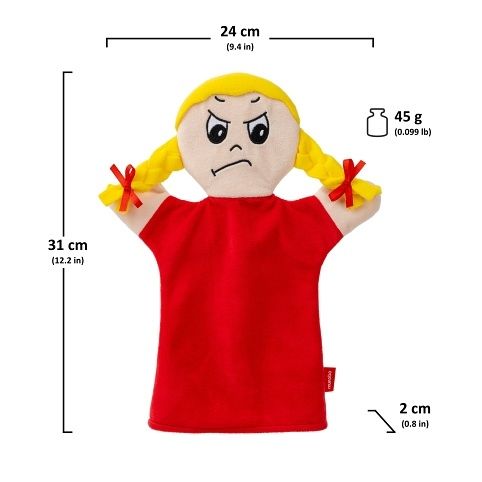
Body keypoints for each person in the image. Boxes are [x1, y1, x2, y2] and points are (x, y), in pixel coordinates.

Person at [99, 73, 381, 433]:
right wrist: (338, 178)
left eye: (258, 131)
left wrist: (139, 179)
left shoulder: (177, 227)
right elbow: (361, 200)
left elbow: (127, 200)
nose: (235, 146)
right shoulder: (300, 226)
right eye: (218, 132)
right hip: (287, 398)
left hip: (189, 397)